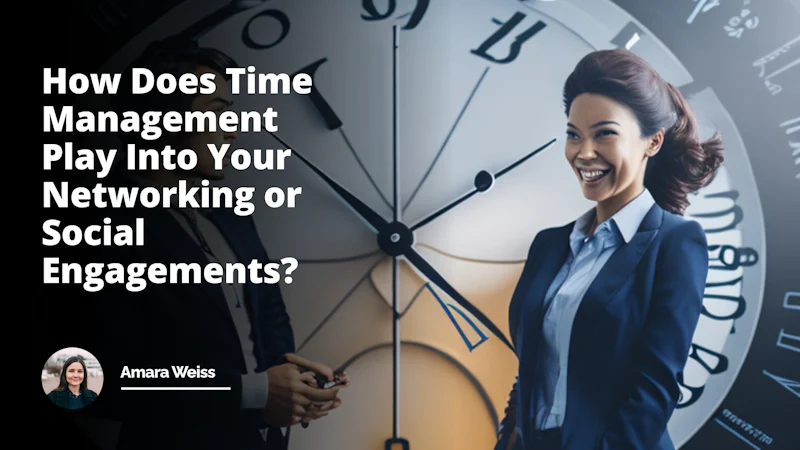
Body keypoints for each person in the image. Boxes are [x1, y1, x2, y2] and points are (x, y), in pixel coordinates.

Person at [71, 38, 347, 450]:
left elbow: (270, 317)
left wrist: (296, 386)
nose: (233, 132)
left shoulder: (230, 212)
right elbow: (86, 382)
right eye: (218, 111)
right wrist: (251, 392)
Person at [495, 48, 724, 450]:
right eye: (573, 134)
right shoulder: (549, 245)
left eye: (604, 133)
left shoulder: (675, 243)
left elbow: (654, 389)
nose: (584, 153)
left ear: (652, 142)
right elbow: (532, 370)